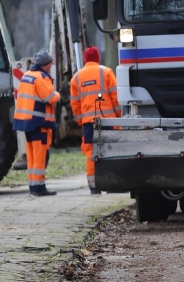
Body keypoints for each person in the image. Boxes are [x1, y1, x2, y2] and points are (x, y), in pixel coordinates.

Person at [70, 46, 121, 194]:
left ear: (85, 59)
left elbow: (75, 104)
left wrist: (82, 121)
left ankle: (94, 186)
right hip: (107, 121)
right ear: (98, 58)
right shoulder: (106, 72)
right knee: (109, 150)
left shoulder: (76, 78)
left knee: (91, 153)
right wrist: (118, 116)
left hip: (88, 123)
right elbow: (115, 97)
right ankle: (111, 184)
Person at [13, 50, 60, 196]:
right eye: (51, 63)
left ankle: (33, 186)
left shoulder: (26, 76)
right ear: (46, 65)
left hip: (27, 123)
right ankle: (39, 188)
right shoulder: (42, 78)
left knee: (32, 157)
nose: (52, 65)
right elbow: (51, 98)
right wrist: (58, 94)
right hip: (40, 123)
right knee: (40, 156)